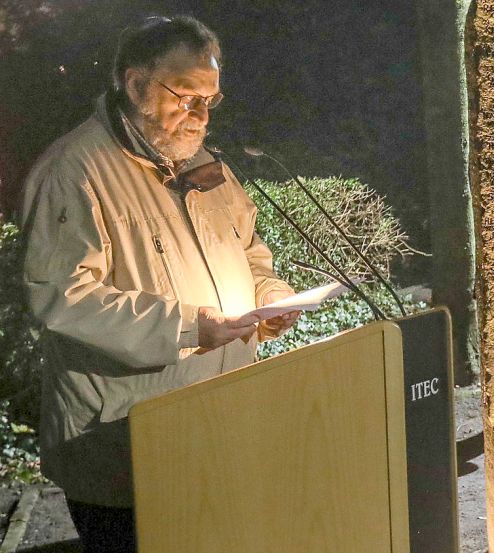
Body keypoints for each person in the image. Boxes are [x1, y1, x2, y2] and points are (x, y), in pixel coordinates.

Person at [17, 16, 299, 552]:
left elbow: (247, 250)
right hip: (125, 449)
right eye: (186, 95)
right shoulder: (73, 172)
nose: (199, 114)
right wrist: (190, 326)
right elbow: (61, 297)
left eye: (210, 99)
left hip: (222, 430)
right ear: (134, 83)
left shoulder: (205, 163)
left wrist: (270, 296)